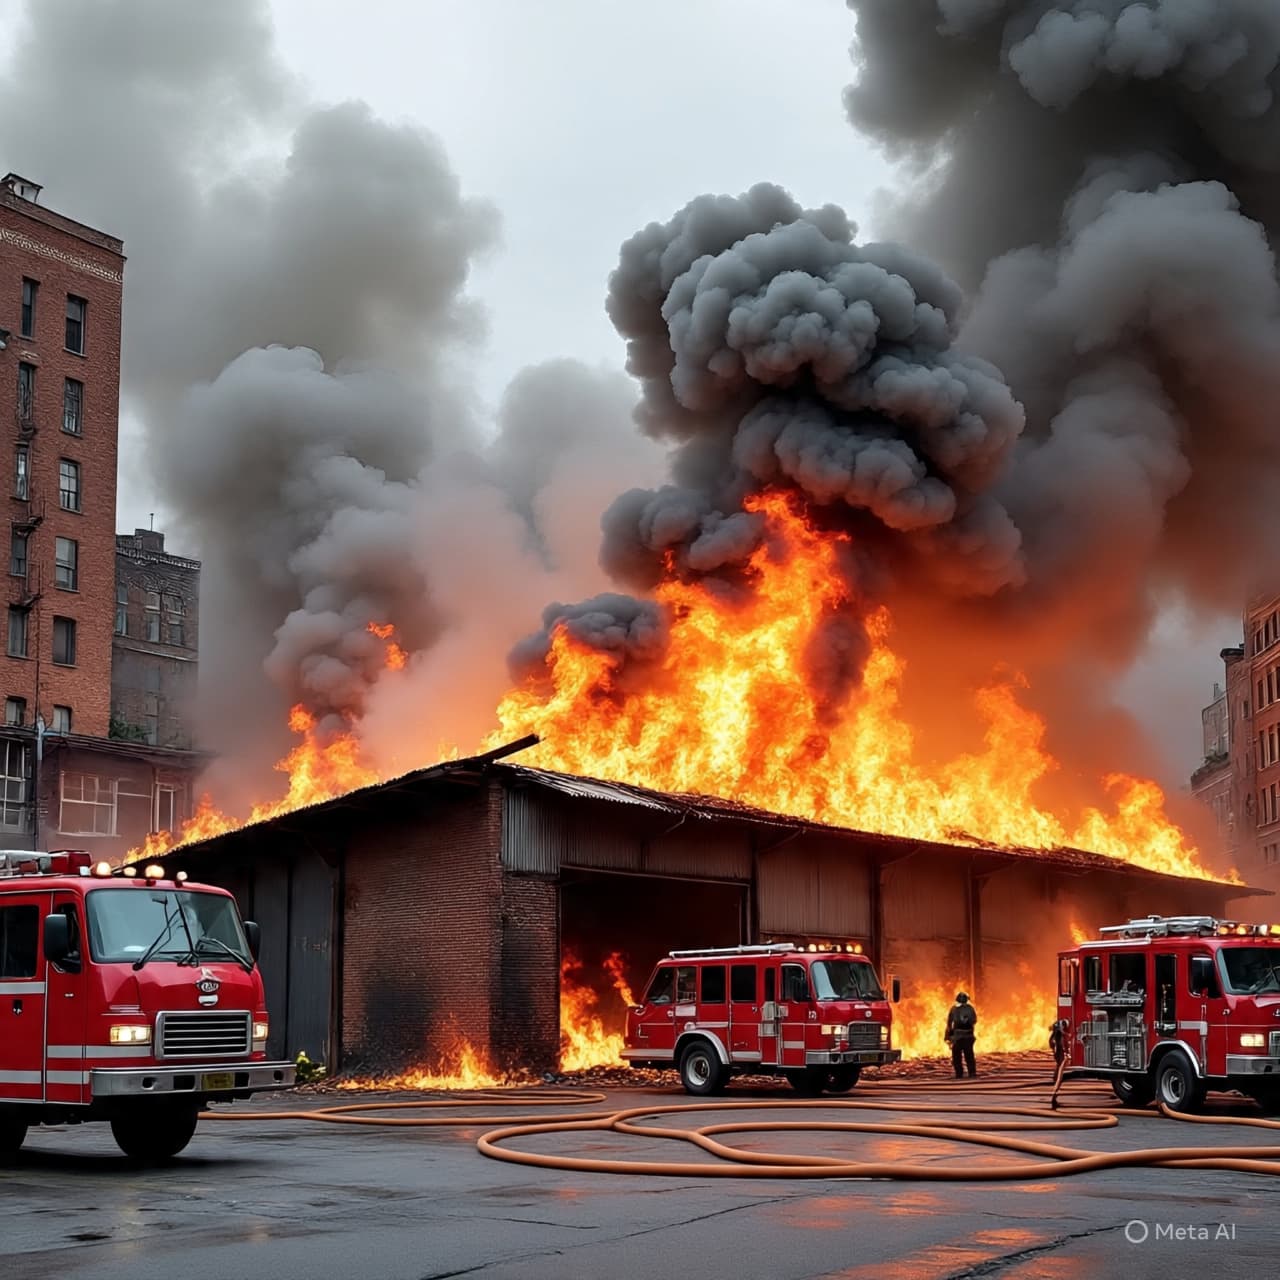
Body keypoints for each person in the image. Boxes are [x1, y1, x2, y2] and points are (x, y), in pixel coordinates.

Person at [945, 992, 978, 1078]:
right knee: (969, 1056)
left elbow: (949, 1023)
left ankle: (959, 1073)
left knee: (957, 1057)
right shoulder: (970, 1009)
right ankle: (972, 1072)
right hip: (968, 1036)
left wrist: (948, 1036)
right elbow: (974, 1021)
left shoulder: (954, 1009)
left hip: (958, 1037)